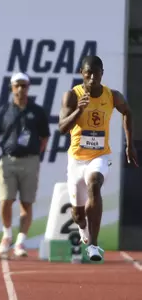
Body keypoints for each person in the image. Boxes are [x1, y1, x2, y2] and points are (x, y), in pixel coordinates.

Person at [58, 55, 138, 261]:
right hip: (76, 159)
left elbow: (127, 112)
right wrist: (79, 110)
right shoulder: (72, 96)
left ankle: (93, 244)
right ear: (81, 75)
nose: (92, 78)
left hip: (100, 156)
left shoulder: (112, 96)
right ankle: (83, 229)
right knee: (77, 214)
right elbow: (62, 128)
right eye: (88, 74)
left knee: (94, 184)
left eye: (97, 74)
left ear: (102, 74)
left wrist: (130, 144)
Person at [0, 72, 50, 257]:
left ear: (28, 88)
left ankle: (21, 241)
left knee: (26, 203)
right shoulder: (4, 111)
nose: (21, 89)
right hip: (7, 160)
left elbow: (45, 136)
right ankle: (6, 235)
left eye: (24, 85)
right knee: (5, 199)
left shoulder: (37, 111)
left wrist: (37, 152)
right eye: (17, 85)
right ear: (12, 88)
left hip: (30, 161)